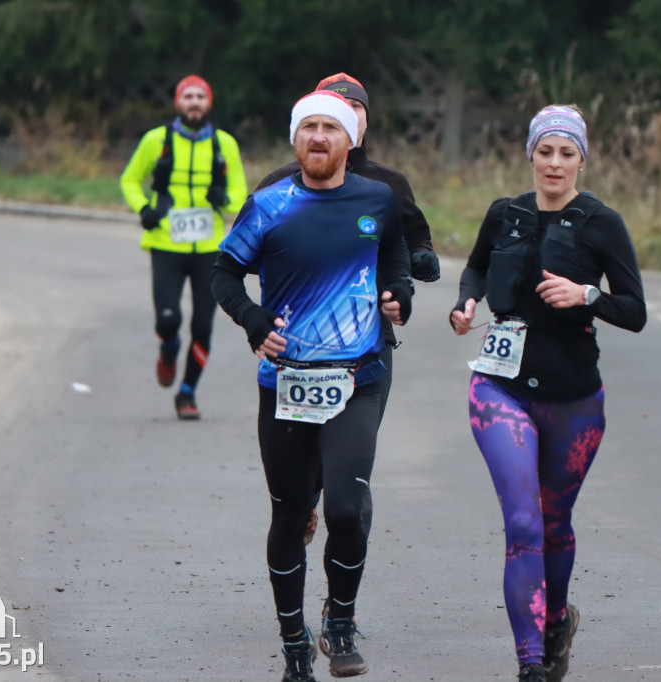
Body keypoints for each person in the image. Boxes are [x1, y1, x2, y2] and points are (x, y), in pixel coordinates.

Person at [211, 90, 412, 682]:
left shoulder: (378, 198)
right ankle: (294, 643)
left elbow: (394, 249)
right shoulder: (269, 205)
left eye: (331, 127)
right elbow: (225, 270)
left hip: (358, 377)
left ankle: (341, 624)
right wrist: (252, 323)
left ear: (351, 139)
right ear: (295, 138)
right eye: (308, 128)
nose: (318, 137)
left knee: (347, 510)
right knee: (290, 512)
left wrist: (400, 294)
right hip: (286, 383)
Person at [449, 105, 646, 682]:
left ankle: (556, 620)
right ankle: (530, 663)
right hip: (499, 390)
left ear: (582, 159)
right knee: (524, 523)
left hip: (575, 400)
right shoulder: (504, 213)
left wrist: (587, 295)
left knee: (555, 521)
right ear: (530, 155)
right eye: (545, 152)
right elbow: (476, 272)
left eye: (567, 153)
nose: (554, 164)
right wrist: (465, 305)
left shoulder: (601, 223)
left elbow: (634, 312)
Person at [257, 72, 440, 545]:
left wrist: (415, 269)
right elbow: (251, 246)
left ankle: (339, 597)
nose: (345, 117)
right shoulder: (281, 183)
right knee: (303, 460)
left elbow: (411, 238)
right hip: (299, 343)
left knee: (350, 464)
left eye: (355, 108)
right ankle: (305, 500)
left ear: (364, 120)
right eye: (334, 108)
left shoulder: (387, 185)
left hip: (370, 340)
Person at [120, 74, 248, 420]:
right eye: (188, 96)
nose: (194, 102)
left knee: (203, 325)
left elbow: (239, 192)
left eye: (200, 97)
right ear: (178, 103)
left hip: (210, 248)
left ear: (209, 104)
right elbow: (129, 179)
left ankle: (187, 393)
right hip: (166, 242)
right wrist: (143, 208)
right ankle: (168, 348)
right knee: (168, 318)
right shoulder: (155, 140)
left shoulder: (225, 145)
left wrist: (224, 199)